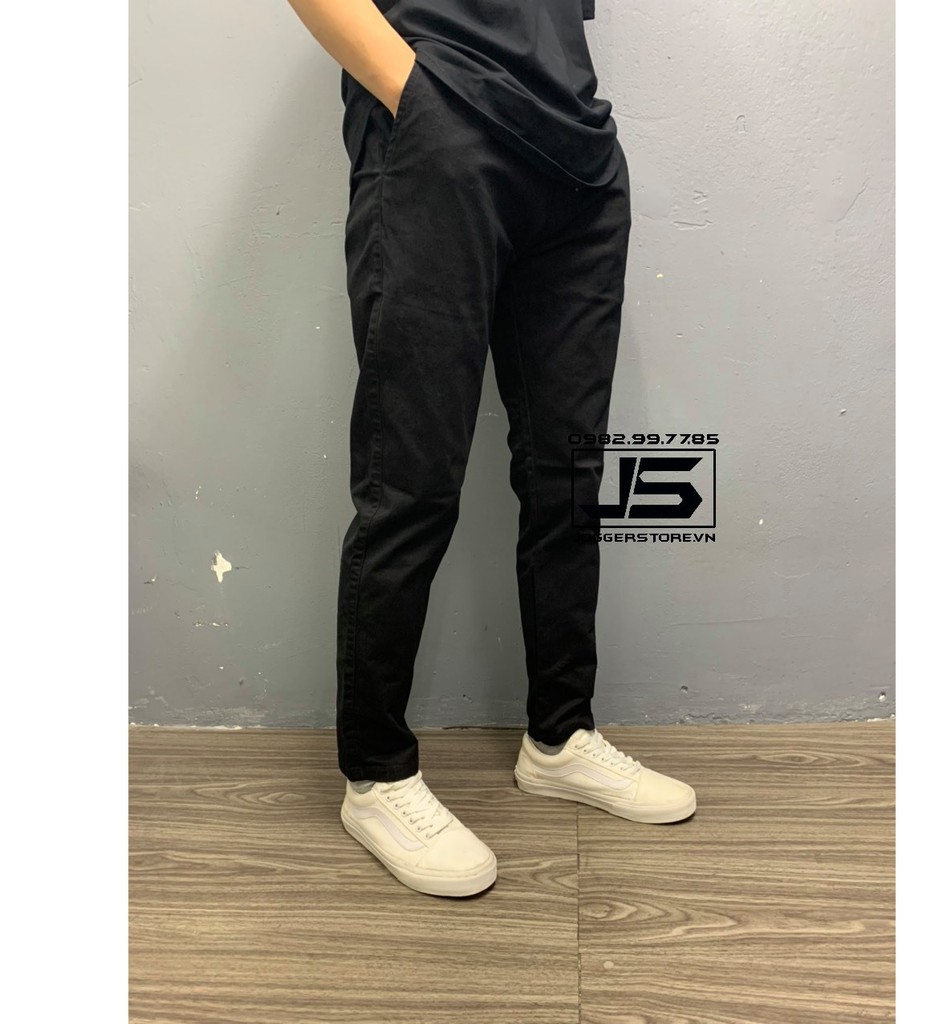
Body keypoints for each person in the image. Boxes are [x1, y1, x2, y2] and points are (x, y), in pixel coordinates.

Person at [284, 0, 696, 898]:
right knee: (411, 476)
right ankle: (376, 776)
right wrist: (419, 98)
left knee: (570, 473)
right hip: (445, 130)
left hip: (578, 161)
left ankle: (561, 736)